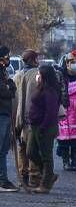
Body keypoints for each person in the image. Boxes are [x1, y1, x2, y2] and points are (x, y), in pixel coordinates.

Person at [26, 65, 62, 193]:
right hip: (34, 126)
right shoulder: (40, 88)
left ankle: (46, 184)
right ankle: (49, 174)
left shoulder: (50, 91)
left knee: (46, 156)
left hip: (45, 127)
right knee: (31, 152)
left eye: (40, 74)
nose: (37, 76)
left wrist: (43, 127)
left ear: (45, 76)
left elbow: (51, 112)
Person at [13, 50, 40, 189]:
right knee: (32, 147)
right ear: (32, 60)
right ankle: (33, 178)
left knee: (21, 146)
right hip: (30, 115)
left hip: (18, 117)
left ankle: (22, 176)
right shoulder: (36, 75)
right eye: (37, 58)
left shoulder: (17, 75)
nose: (38, 60)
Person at [0, 47, 17, 191]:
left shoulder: (3, 72)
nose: (8, 59)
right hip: (1, 114)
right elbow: (5, 92)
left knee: (4, 149)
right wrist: (10, 87)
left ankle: (3, 179)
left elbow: (11, 87)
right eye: (6, 57)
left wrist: (10, 86)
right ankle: (2, 181)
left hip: (5, 113)